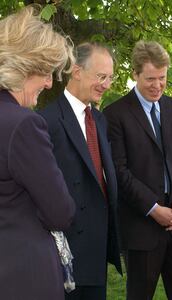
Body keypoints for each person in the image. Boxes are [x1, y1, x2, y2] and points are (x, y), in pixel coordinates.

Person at [103, 40, 172, 300]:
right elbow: (119, 171)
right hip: (140, 229)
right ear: (134, 74)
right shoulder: (114, 114)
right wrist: (153, 209)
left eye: (162, 78)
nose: (157, 85)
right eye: (150, 78)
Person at [0, 6, 75, 300]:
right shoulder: (23, 125)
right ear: (22, 67)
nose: (48, 83)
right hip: (22, 275)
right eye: (45, 72)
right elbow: (60, 211)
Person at [38, 42, 122, 300]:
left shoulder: (99, 119)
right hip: (65, 253)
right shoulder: (47, 120)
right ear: (76, 71)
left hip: (97, 250)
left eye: (110, 77)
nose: (106, 84)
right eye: (101, 76)